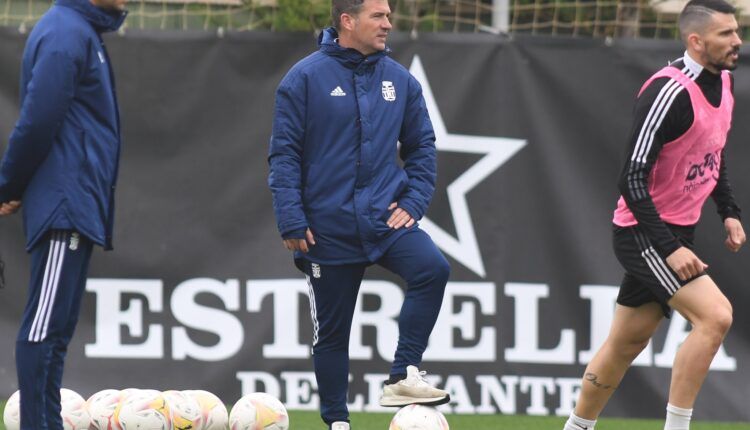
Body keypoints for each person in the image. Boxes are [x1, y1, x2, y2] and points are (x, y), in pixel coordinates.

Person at [267, 0, 451, 428]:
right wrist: (291, 218)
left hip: (384, 221)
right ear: (348, 21)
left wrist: (413, 201)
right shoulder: (304, 78)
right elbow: (284, 155)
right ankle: (338, 423)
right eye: (378, 16)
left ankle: (403, 374)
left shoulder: (400, 81)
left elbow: (422, 145)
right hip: (325, 230)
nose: (388, 23)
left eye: (388, 15)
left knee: (433, 268)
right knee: (332, 334)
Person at [564, 1, 744, 429]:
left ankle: (575, 427)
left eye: (737, 31)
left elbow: (711, 154)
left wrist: (729, 212)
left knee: (626, 343)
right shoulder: (669, 91)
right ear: (696, 41)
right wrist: (668, 248)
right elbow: (631, 178)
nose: (737, 41)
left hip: (675, 234)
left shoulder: (726, 84)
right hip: (642, 233)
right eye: (725, 34)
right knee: (716, 316)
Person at [0, 0, 127, 427]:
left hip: (76, 201)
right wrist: (9, 185)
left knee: (55, 332)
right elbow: (36, 122)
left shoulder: (82, 31)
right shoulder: (66, 33)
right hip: (64, 203)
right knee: (43, 328)